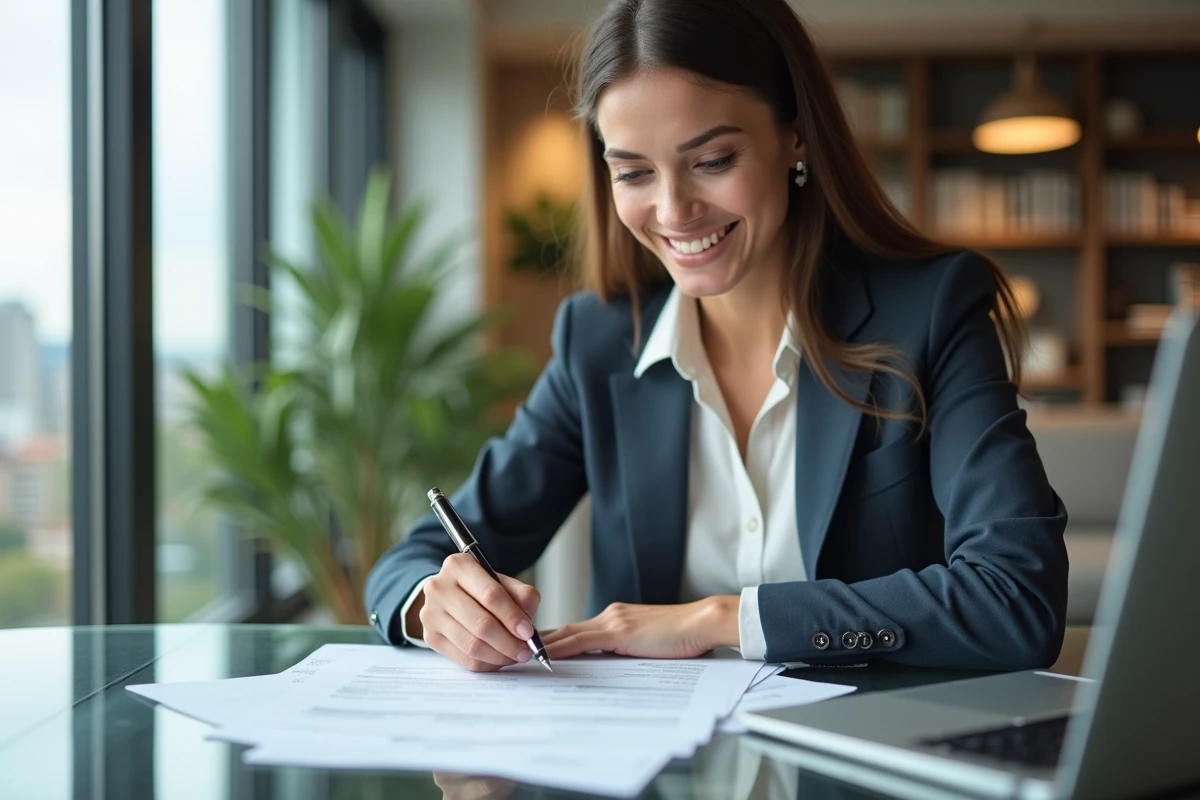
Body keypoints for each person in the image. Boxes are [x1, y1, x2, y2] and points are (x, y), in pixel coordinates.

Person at [364, 0, 1068, 674]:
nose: (673, 211)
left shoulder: (932, 311)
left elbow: (1017, 600)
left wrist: (718, 619)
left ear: (795, 133)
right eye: (634, 172)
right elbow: (411, 562)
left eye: (713, 160)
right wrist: (435, 604)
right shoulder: (599, 341)